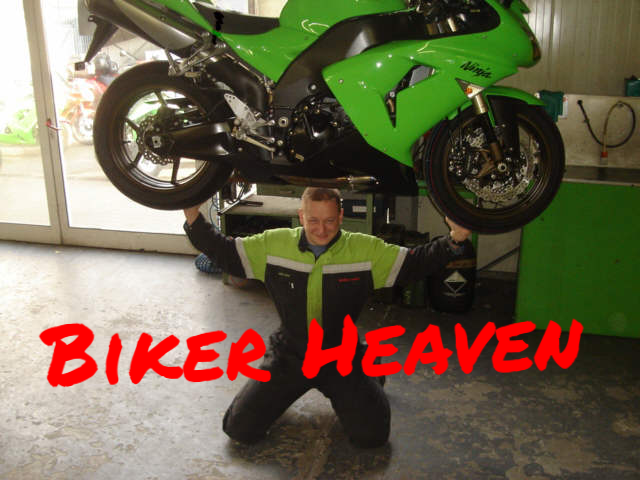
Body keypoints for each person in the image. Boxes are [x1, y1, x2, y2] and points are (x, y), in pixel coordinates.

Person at [183, 187, 471, 448]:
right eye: (313, 220)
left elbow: (413, 263)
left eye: (330, 221)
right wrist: (193, 216)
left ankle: (369, 366)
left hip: (340, 354)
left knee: (371, 437)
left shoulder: (365, 250)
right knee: (239, 430)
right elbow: (227, 252)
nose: (321, 230)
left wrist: (455, 240)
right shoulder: (273, 245)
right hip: (290, 353)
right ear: (301, 216)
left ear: (341, 217)